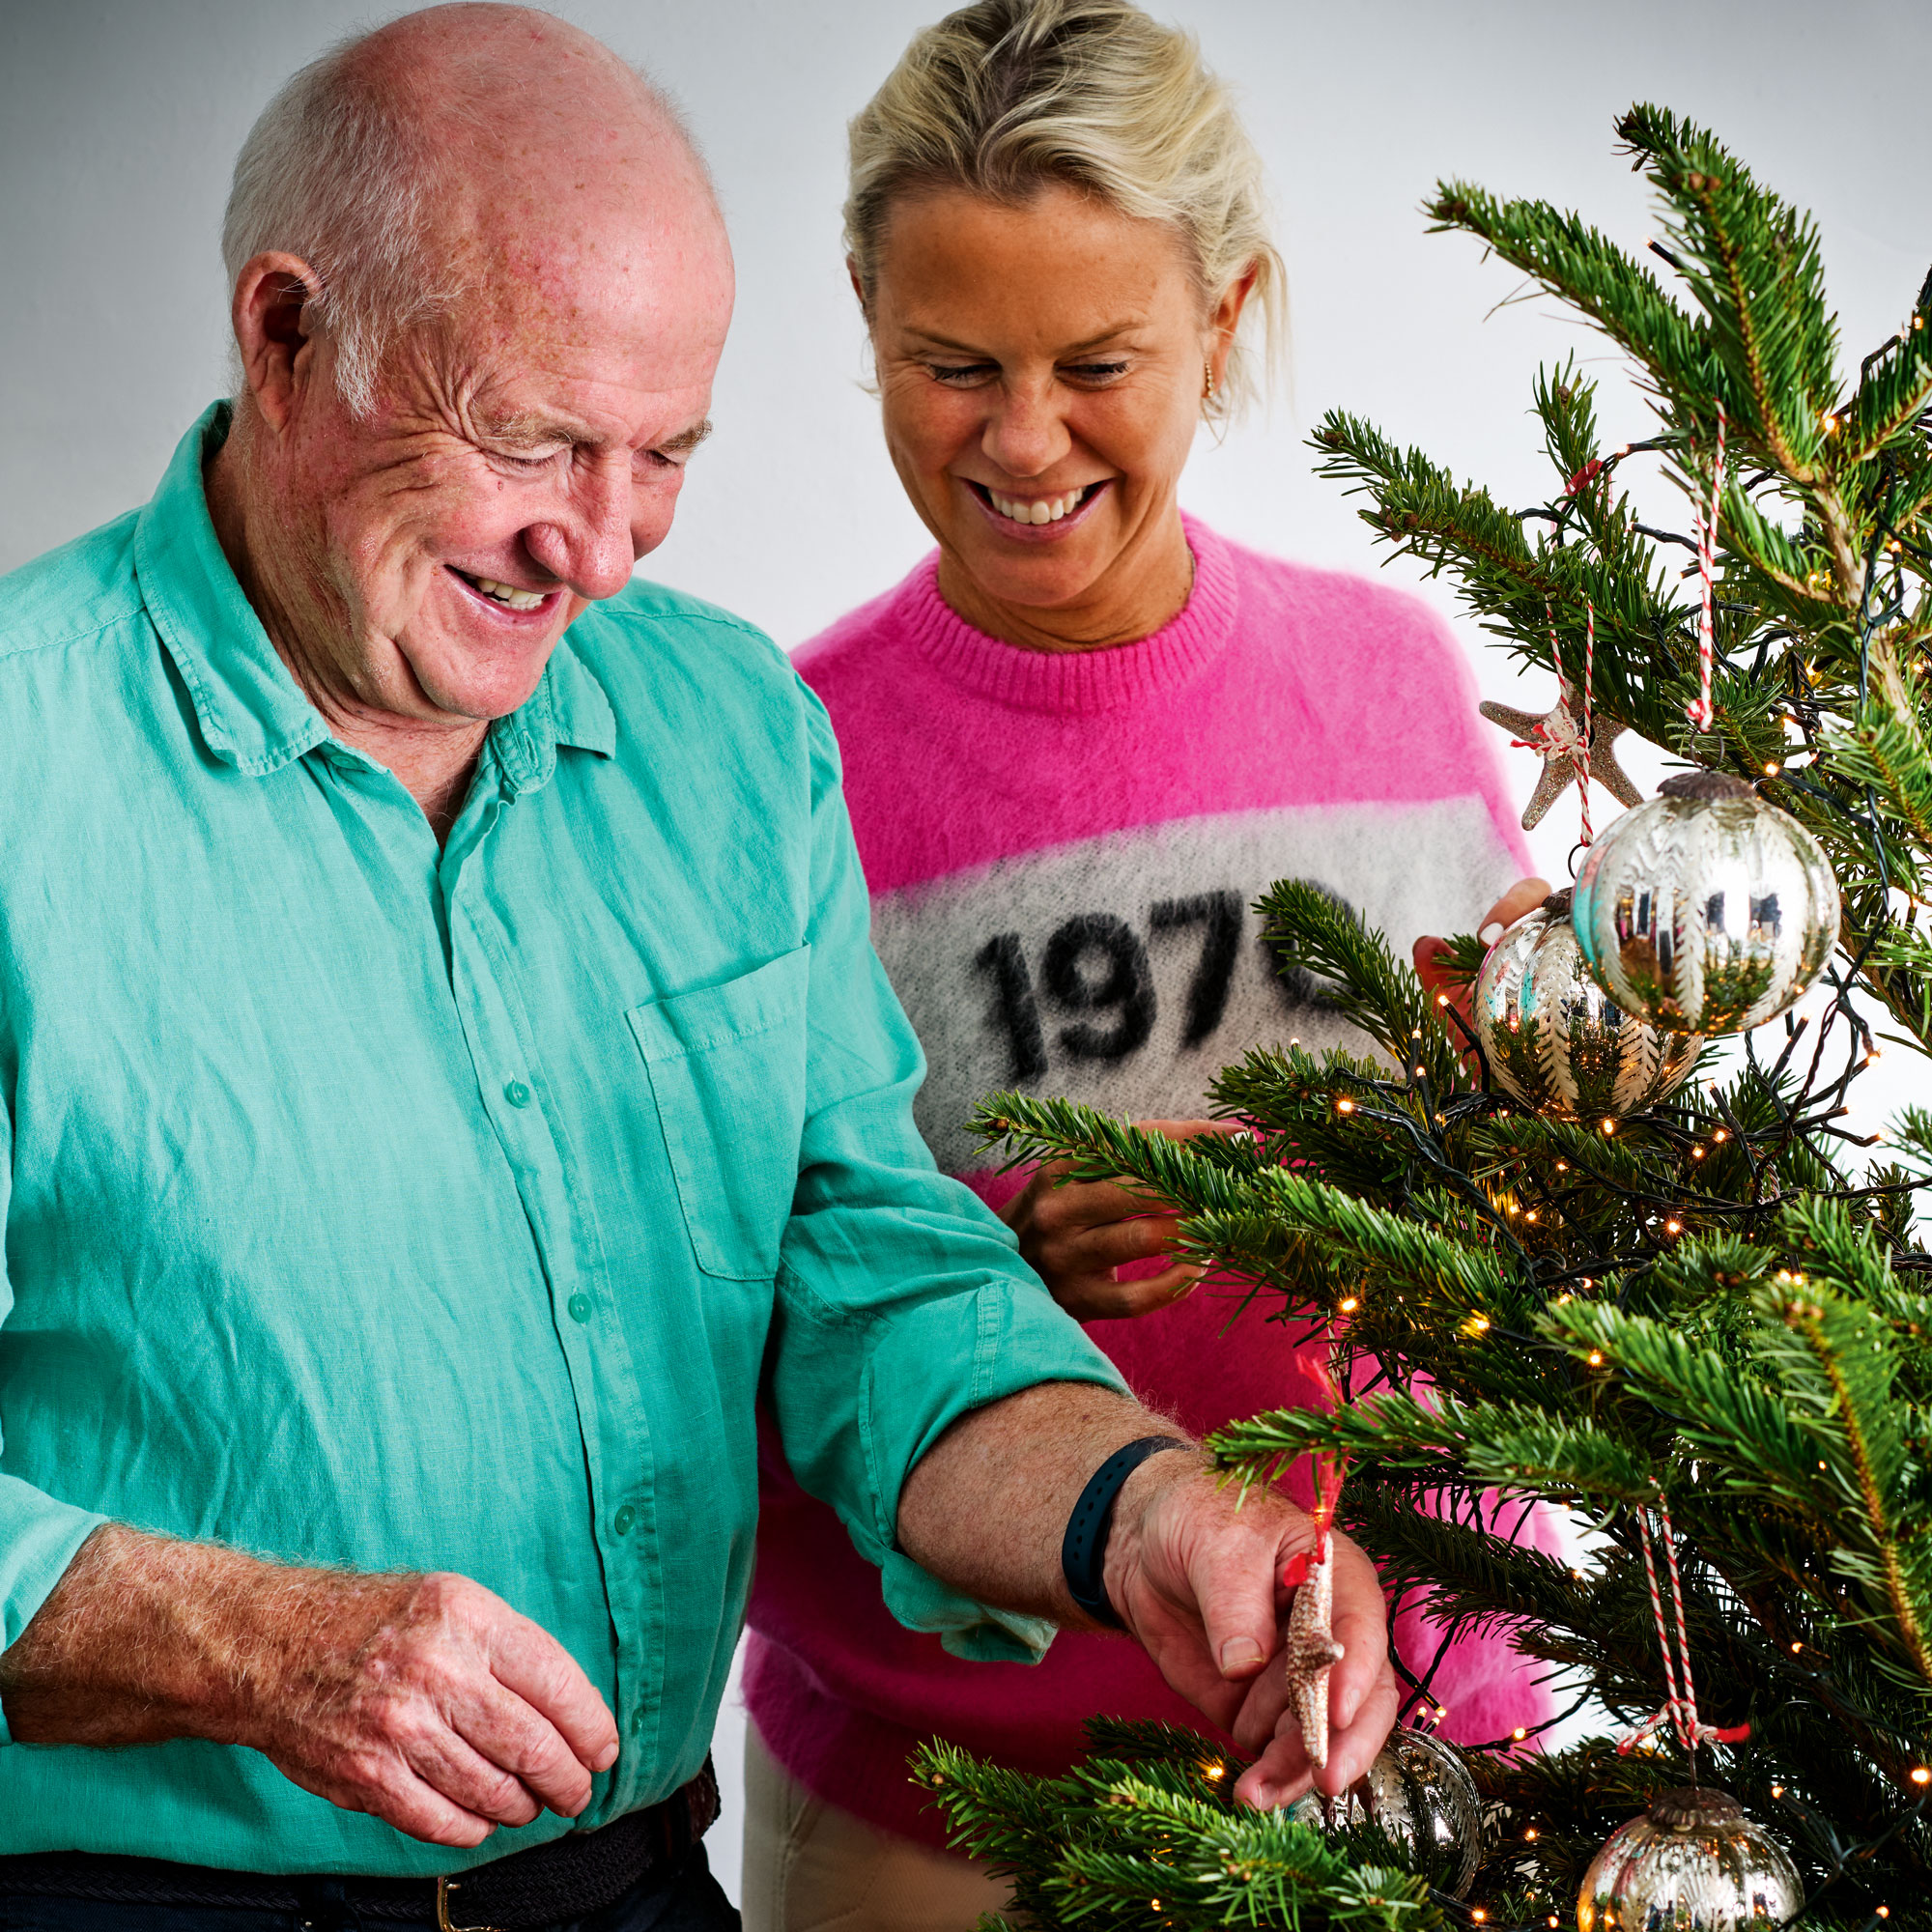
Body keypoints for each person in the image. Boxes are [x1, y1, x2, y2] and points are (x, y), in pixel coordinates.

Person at [0, 7, 1402, 1928]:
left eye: (661, 454)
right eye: (528, 436)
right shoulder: (22, 763)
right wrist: (245, 1639)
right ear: (283, 333)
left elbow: (869, 1270)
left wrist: (1141, 1511)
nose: (594, 547)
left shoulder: (727, 731)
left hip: (644, 1885)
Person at [740, 6, 1554, 1929]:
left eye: (1095, 363)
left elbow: (1535, 1148)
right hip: (937, 1801)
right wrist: (994, 1255)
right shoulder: (783, 764)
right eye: (952, 365)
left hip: (1413, 1736)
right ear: (864, 318)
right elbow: (695, 1306)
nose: (1023, 442)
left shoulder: (1382, 676)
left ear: (1225, 313)